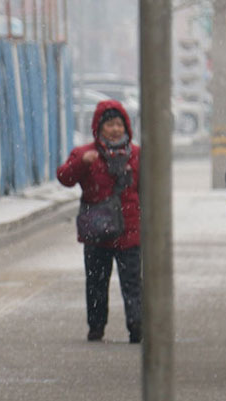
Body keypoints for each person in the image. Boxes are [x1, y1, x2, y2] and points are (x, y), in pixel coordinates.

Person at [56, 99, 142, 343]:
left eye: (119, 124)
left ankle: (137, 325)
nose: (115, 129)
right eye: (109, 125)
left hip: (129, 231)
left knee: (133, 283)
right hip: (97, 232)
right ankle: (96, 326)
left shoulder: (136, 155)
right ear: (98, 128)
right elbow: (64, 177)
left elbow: (147, 188)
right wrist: (80, 164)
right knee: (96, 282)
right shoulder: (85, 155)